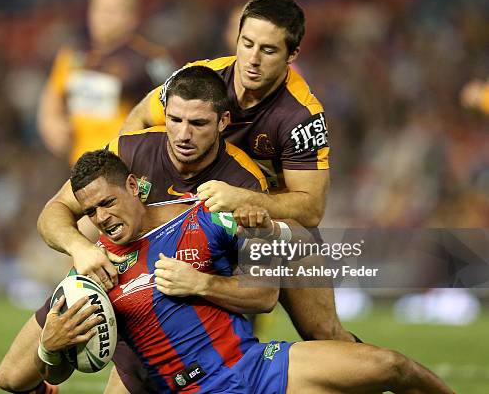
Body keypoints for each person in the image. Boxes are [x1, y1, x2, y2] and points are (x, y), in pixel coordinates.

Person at [36, 149, 453, 394]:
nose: (101, 217)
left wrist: (262, 228)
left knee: (392, 365)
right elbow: (68, 367)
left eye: (106, 203)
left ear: (132, 186)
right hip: (195, 388)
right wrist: (50, 349)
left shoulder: (199, 219)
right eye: (90, 212)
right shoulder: (94, 272)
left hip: (258, 367)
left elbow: (267, 293)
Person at [0, 66, 272, 394]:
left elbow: (260, 286)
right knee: (11, 377)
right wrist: (81, 248)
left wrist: (201, 283)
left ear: (221, 122)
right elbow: (53, 212)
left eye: (197, 123)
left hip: (176, 309)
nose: (183, 134)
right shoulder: (133, 151)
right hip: (109, 277)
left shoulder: (243, 181)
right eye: (175, 120)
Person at [120, 0, 351, 346]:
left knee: (323, 334)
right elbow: (136, 123)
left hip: (267, 227)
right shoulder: (200, 80)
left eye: (269, 50)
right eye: (247, 44)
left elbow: (311, 208)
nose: (253, 60)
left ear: (292, 55)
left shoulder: (300, 117)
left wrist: (241, 198)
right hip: (192, 217)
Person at [37, 0, 174, 164]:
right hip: (80, 166)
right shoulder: (74, 55)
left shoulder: (151, 59)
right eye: (98, 8)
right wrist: (51, 122)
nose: (102, 17)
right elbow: (52, 96)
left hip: (128, 167)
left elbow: (177, 105)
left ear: (132, 17)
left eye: (111, 10)